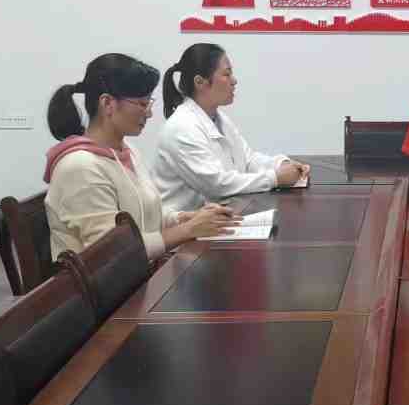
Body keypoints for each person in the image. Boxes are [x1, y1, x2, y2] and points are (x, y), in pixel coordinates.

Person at [44, 53, 236, 259]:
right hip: (114, 278)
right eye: (142, 104)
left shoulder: (127, 150)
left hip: (142, 270)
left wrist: (186, 218)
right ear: (107, 103)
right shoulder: (80, 167)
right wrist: (187, 230)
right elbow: (111, 254)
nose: (149, 113)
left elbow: (146, 214)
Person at [153, 44, 310, 212]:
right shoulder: (181, 128)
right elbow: (217, 185)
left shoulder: (218, 118)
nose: (234, 81)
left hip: (215, 215)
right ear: (200, 82)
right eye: (227, 74)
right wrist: (275, 178)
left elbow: (248, 161)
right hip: (184, 223)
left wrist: (281, 164)